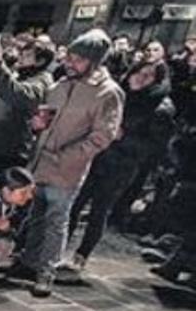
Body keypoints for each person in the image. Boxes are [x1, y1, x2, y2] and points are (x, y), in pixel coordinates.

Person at [20, 29, 124, 297]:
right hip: (40, 163)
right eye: (69, 57)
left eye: (77, 59)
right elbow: (46, 120)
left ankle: (46, 271)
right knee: (36, 215)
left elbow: (103, 135)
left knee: (56, 219)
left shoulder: (107, 93)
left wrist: (66, 156)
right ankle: (28, 262)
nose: (69, 63)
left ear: (93, 61)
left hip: (66, 169)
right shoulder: (60, 85)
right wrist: (37, 126)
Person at [64, 60, 175, 273]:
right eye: (139, 71)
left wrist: (122, 137)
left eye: (149, 75)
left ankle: (81, 255)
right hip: (96, 156)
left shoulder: (161, 107)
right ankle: (58, 249)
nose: (141, 77)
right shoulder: (119, 94)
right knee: (75, 203)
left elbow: (155, 147)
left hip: (121, 165)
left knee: (99, 210)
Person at [0, 37, 54, 185]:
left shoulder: (41, 80)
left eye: (27, 56)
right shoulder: (19, 74)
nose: (20, 58)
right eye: (21, 53)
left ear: (40, 62)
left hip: (8, 150)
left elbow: (18, 94)